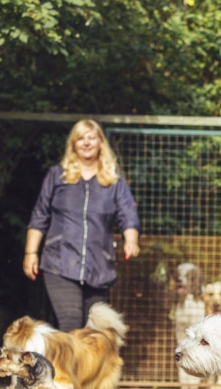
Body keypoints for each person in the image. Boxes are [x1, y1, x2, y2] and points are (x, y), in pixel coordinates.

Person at [23, 120, 141, 332]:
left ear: (100, 143)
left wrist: (131, 240)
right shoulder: (57, 175)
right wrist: (31, 252)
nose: (86, 143)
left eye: (91, 138)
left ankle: (78, 367)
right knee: (71, 322)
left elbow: (128, 213)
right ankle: (66, 366)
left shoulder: (114, 181)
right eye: (81, 138)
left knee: (92, 331)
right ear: (74, 144)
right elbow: (40, 214)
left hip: (99, 266)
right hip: (60, 262)